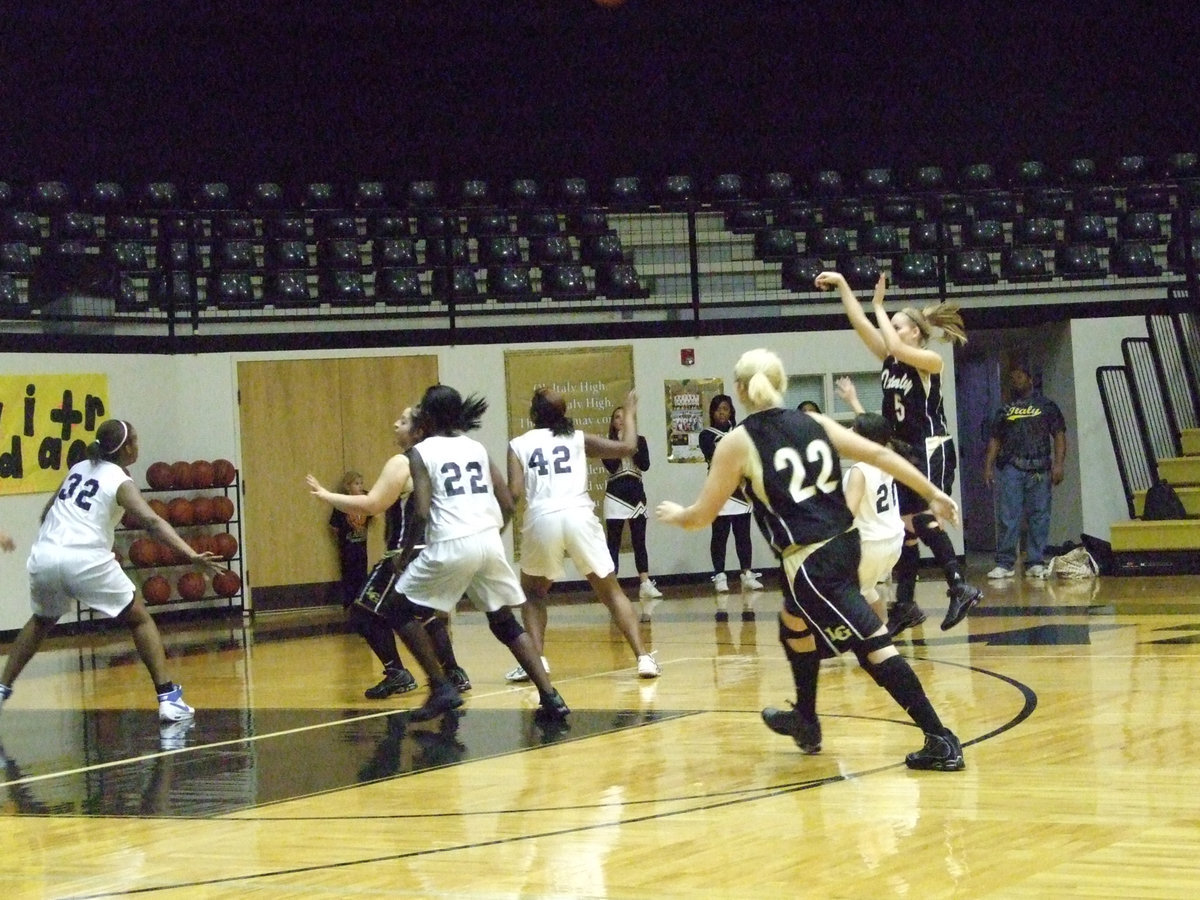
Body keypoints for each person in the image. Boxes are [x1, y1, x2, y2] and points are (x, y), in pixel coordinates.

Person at [656, 349, 966, 771]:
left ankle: (940, 737)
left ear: (741, 391)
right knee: (793, 624)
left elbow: (702, 517)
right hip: (843, 545)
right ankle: (806, 718)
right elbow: (880, 454)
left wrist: (677, 515)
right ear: (781, 384)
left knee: (874, 646)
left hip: (811, 562)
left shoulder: (737, 442)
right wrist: (933, 491)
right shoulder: (815, 422)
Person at [0, 419, 223, 726]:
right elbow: (152, 522)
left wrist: (55, 546)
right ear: (126, 448)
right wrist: (190, 554)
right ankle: (168, 698)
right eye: (136, 440)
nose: (139, 446)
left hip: (46, 554)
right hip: (85, 559)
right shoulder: (119, 480)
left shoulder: (77, 469)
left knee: (41, 621)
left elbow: (47, 511)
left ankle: (2, 687)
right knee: (139, 617)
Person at [390, 384, 570, 722]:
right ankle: (551, 696)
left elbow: (422, 510)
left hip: (449, 542)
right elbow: (507, 502)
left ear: (425, 418)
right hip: (487, 542)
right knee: (503, 620)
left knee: (397, 609)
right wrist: (490, 534)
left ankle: (441, 686)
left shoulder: (420, 452)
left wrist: (404, 555)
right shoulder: (476, 448)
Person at [819, 270, 983, 637]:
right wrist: (845, 287)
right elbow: (860, 323)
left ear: (917, 333)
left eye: (897, 324)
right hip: (905, 451)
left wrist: (878, 304)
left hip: (930, 446)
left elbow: (892, 344)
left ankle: (960, 585)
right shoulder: (891, 360)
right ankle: (906, 604)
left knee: (922, 518)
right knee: (908, 526)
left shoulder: (929, 361)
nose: (890, 329)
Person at [307, 408, 471, 700]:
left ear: (419, 431)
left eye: (404, 421)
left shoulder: (405, 462)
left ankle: (399, 673)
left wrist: (326, 495)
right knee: (425, 615)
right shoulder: (446, 457)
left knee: (361, 614)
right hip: (440, 549)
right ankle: (453, 673)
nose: (395, 423)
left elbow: (371, 504)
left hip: (405, 552)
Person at [505, 387, 661, 680]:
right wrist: (628, 412)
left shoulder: (518, 444)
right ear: (562, 413)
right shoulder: (576, 437)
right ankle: (644, 658)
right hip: (579, 515)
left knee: (533, 594)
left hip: (542, 518)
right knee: (611, 591)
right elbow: (628, 447)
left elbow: (514, 494)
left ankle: (536, 662)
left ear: (534, 415)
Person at [983, 364, 1068, 579]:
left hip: (1040, 467)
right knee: (1008, 516)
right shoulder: (1004, 409)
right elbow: (995, 439)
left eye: (1020, 376)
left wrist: (1059, 464)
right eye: (1012, 378)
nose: (1016, 380)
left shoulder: (1047, 406)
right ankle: (1005, 563)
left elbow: (1059, 435)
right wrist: (988, 466)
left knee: (1039, 515)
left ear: (1030, 379)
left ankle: (1035, 561)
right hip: (1011, 466)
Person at [698, 393, 762, 621]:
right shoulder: (706, 435)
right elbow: (715, 456)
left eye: (725, 409)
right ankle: (720, 575)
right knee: (720, 534)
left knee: (743, 534)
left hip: (740, 488)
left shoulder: (739, 432)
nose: (722, 413)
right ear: (712, 413)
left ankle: (746, 573)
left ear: (731, 412)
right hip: (720, 488)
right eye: (718, 410)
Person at [602, 405, 663, 605]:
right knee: (614, 543)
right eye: (617, 417)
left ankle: (645, 584)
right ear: (612, 422)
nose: (621, 420)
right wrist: (620, 444)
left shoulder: (640, 440)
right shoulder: (607, 443)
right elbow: (611, 467)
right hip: (616, 495)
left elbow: (644, 464)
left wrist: (632, 444)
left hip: (636, 495)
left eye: (624, 417)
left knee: (639, 541)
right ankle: (613, 587)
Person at [328, 470, 371, 606]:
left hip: (361, 548)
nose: (360, 486)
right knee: (349, 577)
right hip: (347, 549)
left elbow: (374, 511)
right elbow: (334, 526)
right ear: (348, 487)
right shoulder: (342, 504)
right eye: (356, 484)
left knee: (362, 576)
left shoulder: (364, 503)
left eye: (361, 483)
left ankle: (360, 604)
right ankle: (348, 605)